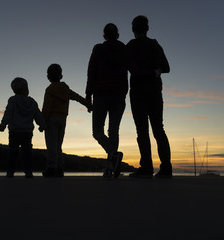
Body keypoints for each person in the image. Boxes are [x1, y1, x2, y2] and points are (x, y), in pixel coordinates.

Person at [126, 16, 172, 178]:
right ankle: (166, 168)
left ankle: (146, 167)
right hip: (154, 92)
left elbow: (131, 68)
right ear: (147, 28)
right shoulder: (155, 45)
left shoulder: (131, 46)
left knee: (142, 131)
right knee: (159, 129)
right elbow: (166, 68)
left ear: (133, 29)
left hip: (138, 92)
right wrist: (155, 71)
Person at [86, 23, 128, 178]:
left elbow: (91, 73)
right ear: (117, 35)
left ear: (104, 36)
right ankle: (112, 165)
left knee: (98, 131)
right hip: (118, 95)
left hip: (101, 94)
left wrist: (87, 95)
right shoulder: (124, 50)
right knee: (113, 131)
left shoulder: (98, 50)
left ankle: (112, 161)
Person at [42, 64, 92, 177]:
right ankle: (59, 168)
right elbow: (78, 97)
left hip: (51, 119)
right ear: (61, 76)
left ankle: (51, 168)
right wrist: (88, 104)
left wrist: (42, 122)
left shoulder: (50, 90)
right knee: (58, 145)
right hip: (62, 120)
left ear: (48, 76)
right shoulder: (65, 89)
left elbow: (46, 107)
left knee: (51, 145)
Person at [0, 77, 46, 178]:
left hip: (14, 131)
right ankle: (28, 172)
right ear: (26, 89)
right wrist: (42, 125)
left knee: (12, 152)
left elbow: (8, 113)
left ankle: (10, 172)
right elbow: (38, 114)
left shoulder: (13, 100)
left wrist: (3, 124)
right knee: (27, 153)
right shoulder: (32, 102)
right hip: (27, 132)